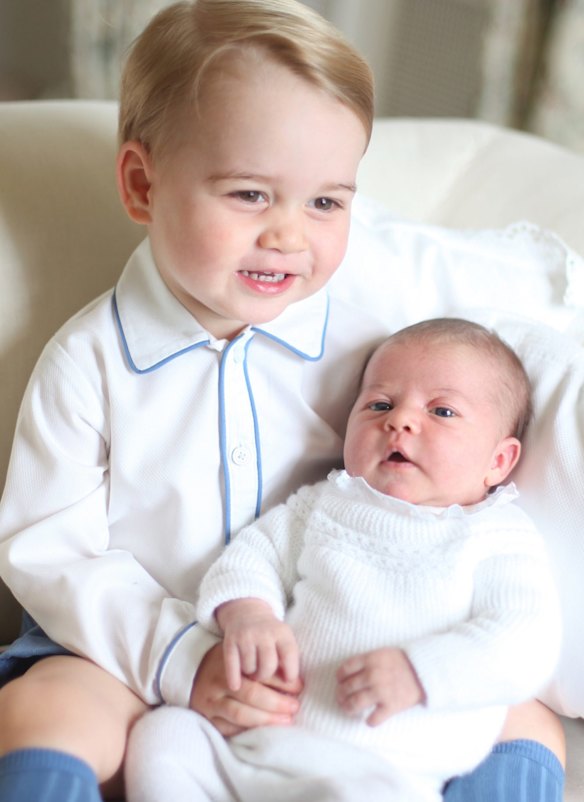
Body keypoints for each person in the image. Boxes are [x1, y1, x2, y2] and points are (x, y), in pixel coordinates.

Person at [0, 1, 564, 801]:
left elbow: (498, 305)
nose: (289, 236)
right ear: (142, 184)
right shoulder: (88, 362)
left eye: (326, 203)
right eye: (249, 195)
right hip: (127, 653)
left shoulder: (374, 338)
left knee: (524, 719)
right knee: (41, 711)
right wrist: (185, 658)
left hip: (329, 652)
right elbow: (51, 553)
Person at [124, 318, 561, 802]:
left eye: (442, 411)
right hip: (254, 750)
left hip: (382, 774)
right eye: (380, 404)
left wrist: (421, 672)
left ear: (498, 461)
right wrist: (248, 613)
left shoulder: (496, 536)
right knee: (165, 734)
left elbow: (526, 640)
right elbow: (252, 556)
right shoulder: (324, 504)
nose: (400, 420)